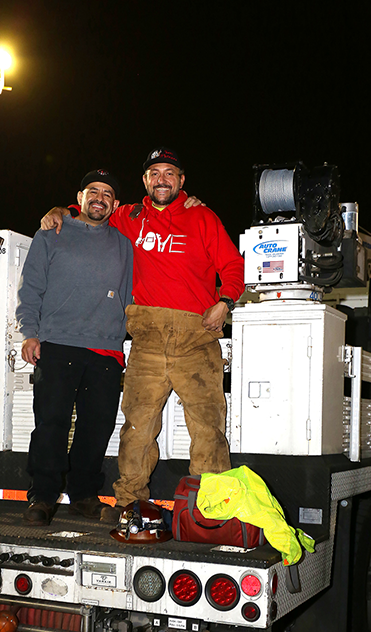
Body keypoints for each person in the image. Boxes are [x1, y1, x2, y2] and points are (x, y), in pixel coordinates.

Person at [41, 148, 244, 522]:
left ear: (182, 181)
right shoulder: (129, 216)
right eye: (154, 173)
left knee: (208, 425)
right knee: (137, 427)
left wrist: (225, 301)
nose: (162, 179)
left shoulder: (203, 216)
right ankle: (130, 502)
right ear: (145, 181)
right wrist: (61, 213)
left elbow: (233, 265)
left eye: (169, 173)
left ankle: (210, 509)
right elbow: (92, 211)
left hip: (196, 338)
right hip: (147, 340)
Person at [17, 169, 133, 525]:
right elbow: (31, 287)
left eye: (108, 194)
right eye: (93, 191)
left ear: (115, 204)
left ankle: (83, 495)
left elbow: (128, 294)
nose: (100, 198)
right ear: (79, 196)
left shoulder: (123, 243)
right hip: (57, 342)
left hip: (106, 349)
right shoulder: (51, 232)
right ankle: (43, 497)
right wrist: (30, 332)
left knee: (96, 427)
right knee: (50, 424)